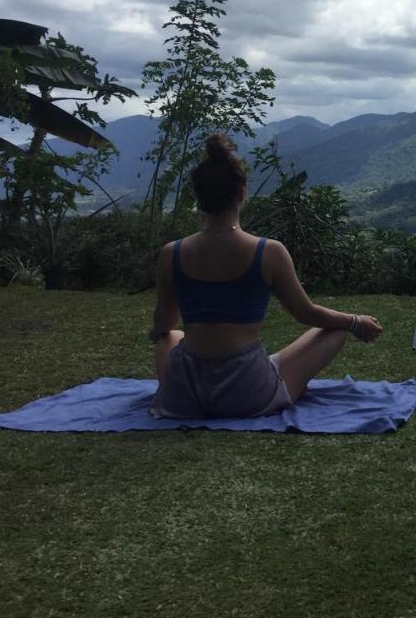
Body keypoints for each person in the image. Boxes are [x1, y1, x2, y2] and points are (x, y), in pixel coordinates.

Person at [149, 134, 382, 418]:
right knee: (335, 331)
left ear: (199, 198)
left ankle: (184, 390)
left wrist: (158, 332)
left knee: (169, 337)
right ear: (242, 193)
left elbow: (164, 321)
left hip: (184, 396)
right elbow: (307, 313)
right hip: (247, 391)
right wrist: (355, 322)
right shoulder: (268, 252)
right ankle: (262, 379)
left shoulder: (171, 253)